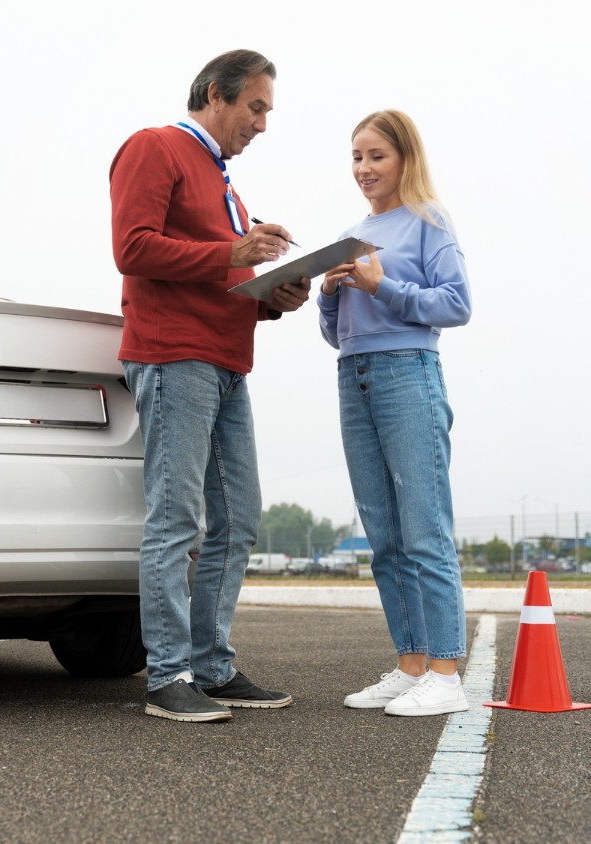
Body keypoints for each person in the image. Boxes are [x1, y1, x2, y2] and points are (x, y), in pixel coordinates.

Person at [110, 49, 310, 723]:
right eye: (255, 107)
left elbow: (219, 277)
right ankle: (168, 676)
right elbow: (133, 248)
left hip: (226, 363)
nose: (261, 124)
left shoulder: (226, 186)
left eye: (267, 112)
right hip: (174, 358)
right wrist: (235, 250)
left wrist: (273, 296)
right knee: (177, 520)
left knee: (239, 518)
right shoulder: (155, 147)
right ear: (215, 96)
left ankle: (211, 666)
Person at [318, 109, 473, 717]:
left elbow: (456, 305)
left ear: (405, 158)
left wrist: (382, 286)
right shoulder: (353, 232)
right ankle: (411, 663)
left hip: (408, 374)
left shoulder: (430, 221)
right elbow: (338, 336)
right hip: (353, 376)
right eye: (356, 157)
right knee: (383, 534)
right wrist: (329, 295)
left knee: (423, 527)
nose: (363, 168)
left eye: (376, 156)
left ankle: (445, 672)